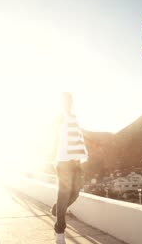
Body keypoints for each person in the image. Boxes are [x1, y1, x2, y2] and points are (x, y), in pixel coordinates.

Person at [51, 92, 88, 244]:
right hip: (63, 162)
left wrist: (83, 158)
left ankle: (57, 209)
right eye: (65, 100)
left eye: (70, 100)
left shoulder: (74, 118)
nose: (68, 102)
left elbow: (79, 138)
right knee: (64, 194)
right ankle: (60, 232)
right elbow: (52, 131)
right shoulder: (60, 116)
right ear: (61, 103)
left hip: (76, 162)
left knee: (76, 193)